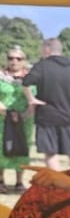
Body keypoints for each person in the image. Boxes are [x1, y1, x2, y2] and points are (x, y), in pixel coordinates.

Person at [22, 37, 70, 170]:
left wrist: (31, 99)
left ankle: (59, 185)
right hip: (67, 115)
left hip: (47, 115)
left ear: (47, 49)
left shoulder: (42, 66)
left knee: (50, 152)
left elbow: (26, 83)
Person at [0, 47, 34, 192]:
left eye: (18, 58)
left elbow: (34, 97)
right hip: (2, 118)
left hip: (24, 119)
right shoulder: (1, 76)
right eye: (11, 58)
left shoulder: (30, 77)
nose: (14, 61)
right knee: (1, 148)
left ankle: (19, 182)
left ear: (23, 61)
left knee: (22, 148)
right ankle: (1, 181)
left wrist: (27, 113)